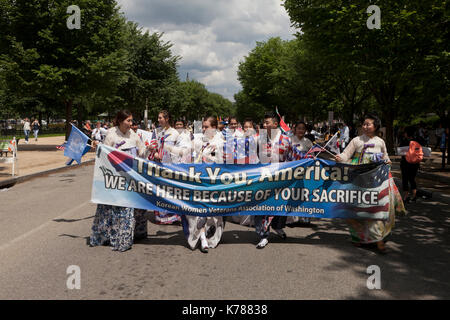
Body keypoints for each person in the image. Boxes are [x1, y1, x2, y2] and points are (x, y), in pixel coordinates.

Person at [335, 113, 404, 254]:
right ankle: (360, 238)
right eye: (364, 124)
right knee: (358, 209)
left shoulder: (380, 142)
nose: (365, 126)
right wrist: (339, 157)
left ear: (376, 126)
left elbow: (385, 157)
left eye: (368, 124)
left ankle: (378, 241)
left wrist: (387, 162)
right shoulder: (356, 140)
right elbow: (345, 155)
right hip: (359, 180)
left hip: (377, 181)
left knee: (376, 208)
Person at [89, 110, 151, 252]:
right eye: (128, 121)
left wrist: (149, 149)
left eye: (131, 121)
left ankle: (136, 233)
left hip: (132, 178)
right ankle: (119, 237)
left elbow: (142, 153)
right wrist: (98, 148)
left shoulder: (134, 135)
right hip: (116, 179)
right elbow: (104, 156)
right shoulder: (111, 134)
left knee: (135, 206)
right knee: (121, 208)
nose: (131, 124)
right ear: (120, 120)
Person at [181, 116, 225, 253]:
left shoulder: (221, 141)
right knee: (197, 210)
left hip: (214, 181)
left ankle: (209, 236)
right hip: (199, 179)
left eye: (207, 127)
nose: (204, 129)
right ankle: (201, 238)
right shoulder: (198, 140)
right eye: (203, 126)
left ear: (214, 128)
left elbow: (224, 161)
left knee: (211, 211)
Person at [254, 112, 291, 249]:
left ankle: (277, 226)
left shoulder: (286, 140)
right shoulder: (259, 138)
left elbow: (294, 157)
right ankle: (263, 235)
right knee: (262, 205)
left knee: (280, 205)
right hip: (263, 178)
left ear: (275, 124)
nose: (264, 125)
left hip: (281, 178)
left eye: (267, 123)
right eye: (264, 123)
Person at [148, 110, 181, 225]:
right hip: (158, 164)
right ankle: (161, 216)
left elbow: (178, 150)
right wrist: (153, 151)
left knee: (170, 190)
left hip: (170, 165)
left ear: (167, 119)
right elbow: (152, 145)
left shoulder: (175, 133)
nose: (159, 120)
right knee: (159, 190)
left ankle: (174, 215)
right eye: (158, 117)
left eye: (161, 117)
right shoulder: (156, 132)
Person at [286, 121, 313, 225]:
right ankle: (290, 218)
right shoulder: (289, 140)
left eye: (303, 128)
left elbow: (312, 155)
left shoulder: (308, 142)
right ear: (295, 129)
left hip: (305, 171)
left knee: (304, 192)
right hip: (292, 170)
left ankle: (304, 217)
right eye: (299, 128)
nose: (301, 130)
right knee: (291, 193)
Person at [400, 127, 420, 203]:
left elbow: (400, 151)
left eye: (405, 132)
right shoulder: (417, 140)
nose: (404, 134)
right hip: (415, 163)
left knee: (405, 179)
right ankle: (414, 195)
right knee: (412, 179)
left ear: (407, 133)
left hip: (406, 163)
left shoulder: (404, 141)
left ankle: (406, 196)